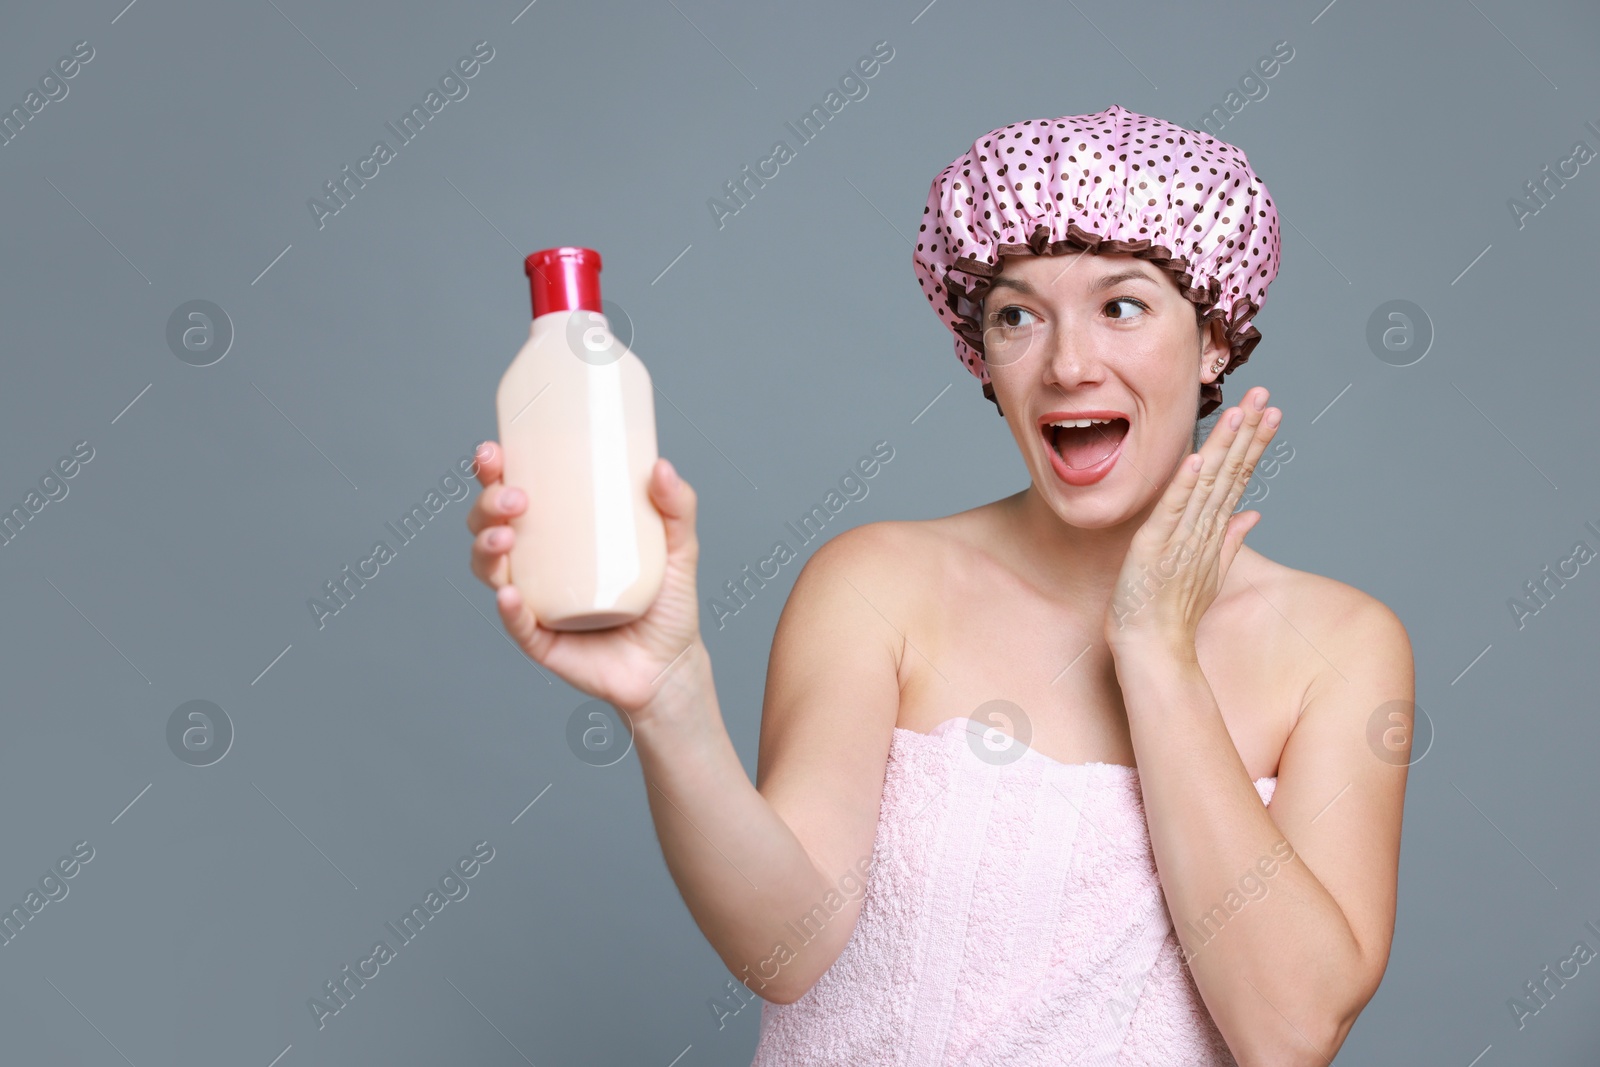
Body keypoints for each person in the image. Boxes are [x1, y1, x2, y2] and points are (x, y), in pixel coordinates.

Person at [465, 104, 1412, 1065]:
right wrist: (669, 702)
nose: (1068, 363)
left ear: (1215, 339)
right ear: (983, 358)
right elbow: (784, 952)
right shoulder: (878, 584)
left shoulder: (1336, 647)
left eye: (1122, 305)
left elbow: (1290, 1030)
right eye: (1017, 317)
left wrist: (1157, 653)